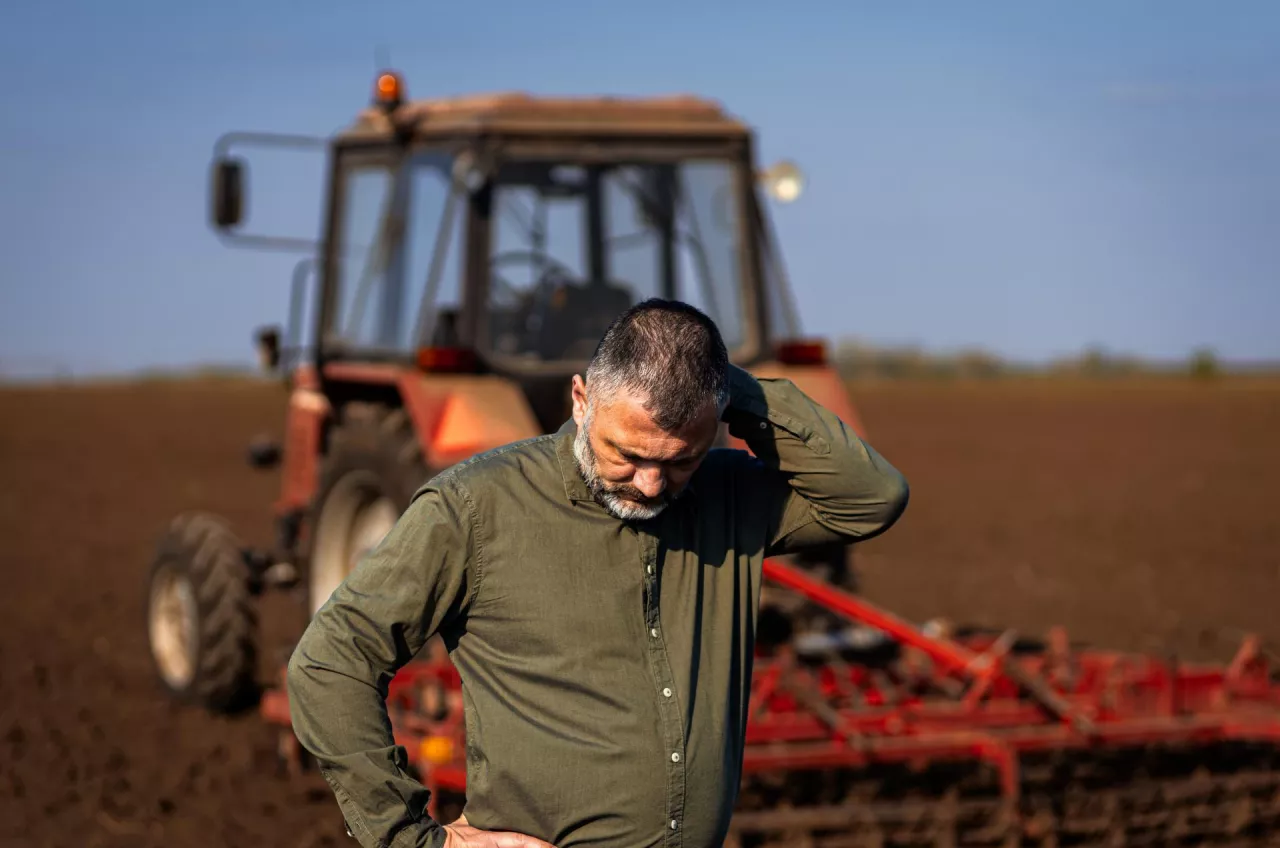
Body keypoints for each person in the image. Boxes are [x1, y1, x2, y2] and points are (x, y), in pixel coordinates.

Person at [286, 298, 910, 848]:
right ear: (582, 400)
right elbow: (330, 661)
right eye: (628, 454)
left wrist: (729, 388)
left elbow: (870, 498)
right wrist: (410, 839)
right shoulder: (476, 508)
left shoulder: (725, 500)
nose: (650, 484)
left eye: (680, 460)